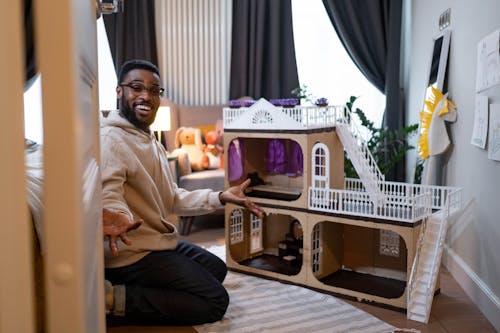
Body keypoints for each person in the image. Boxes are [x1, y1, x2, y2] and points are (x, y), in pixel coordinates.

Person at [100, 59, 264, 326]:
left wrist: (220, 197)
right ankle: (112, 299)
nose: (146, 96)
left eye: (154, 90)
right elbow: (109, 193)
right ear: (120, 92)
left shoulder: (147, 138)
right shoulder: (111, 140)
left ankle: (148, 287)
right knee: (215, 302)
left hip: (155, 241)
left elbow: (171, 197)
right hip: (131, 253)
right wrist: (116, 215)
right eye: (136, 87)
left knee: (217, 269)